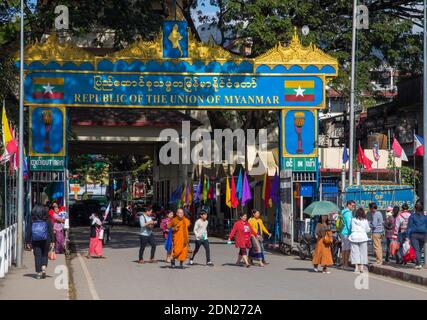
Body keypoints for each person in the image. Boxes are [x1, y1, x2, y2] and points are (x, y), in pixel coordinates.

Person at [26, 204, 55, 279]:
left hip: (35, 240)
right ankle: (44, 268)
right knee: (45, 254)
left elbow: (28, 231)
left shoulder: (32, 220)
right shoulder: (47, 219)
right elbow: (50, 230)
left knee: (37, 256)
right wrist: (53, 241)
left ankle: (38, 273)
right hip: (46, 239)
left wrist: (27, 241)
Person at [349, 208, 371, 273]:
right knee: (363, 253)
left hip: (354, 237)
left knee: (355, 253)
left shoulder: (353, 220)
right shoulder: (365, 221)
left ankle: (356, 267)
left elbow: (351, 228)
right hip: (363, 237)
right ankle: (361, 267)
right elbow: (367, 229)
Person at [407, 200, 427, 269]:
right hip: (423, 235)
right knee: (419, 249)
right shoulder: (425, 217)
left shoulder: (412, 217)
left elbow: (409, 227)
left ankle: (419, 263)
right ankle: (418, 263)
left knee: (417, 250)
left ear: (415, 208)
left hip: (414, 235)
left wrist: (407, 237)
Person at [339, 200, 355, 269]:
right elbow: (349, 224)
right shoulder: (348, 213)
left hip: (342, 231)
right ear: (348, 205)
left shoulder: (343, 211)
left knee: (344, 248)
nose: (353, 207)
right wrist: (351, 233)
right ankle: (346, 264)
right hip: (347, 232)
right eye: (352, 205)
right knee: (347, 248)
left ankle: (343, 263)